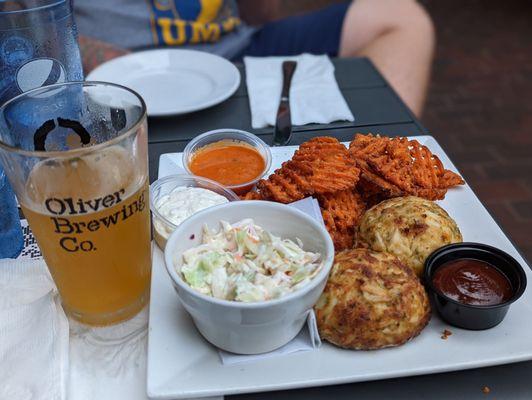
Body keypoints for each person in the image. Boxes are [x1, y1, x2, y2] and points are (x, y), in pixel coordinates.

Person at [75, 0, 434, 116]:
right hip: (127, 69)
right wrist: (99, 59)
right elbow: (23, 22)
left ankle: (380, 165)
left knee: (398, 16)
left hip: (237, 48)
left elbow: (261, 13)